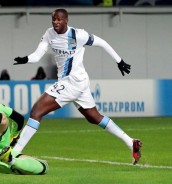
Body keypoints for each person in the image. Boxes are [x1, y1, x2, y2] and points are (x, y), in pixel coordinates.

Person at [12, 8, 142, 165]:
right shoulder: (49, 34)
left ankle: (14, 153)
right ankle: (131, 142)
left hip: (71, 82)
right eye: (53, 19)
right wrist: (25, 59)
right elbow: (37, 55)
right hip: (77, 82)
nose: (55, 22)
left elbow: (102, 43)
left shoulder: (78, 35)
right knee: (94, 117)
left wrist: (119, 61)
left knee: (36, 112)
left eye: (59, 19)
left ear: (67, 20)